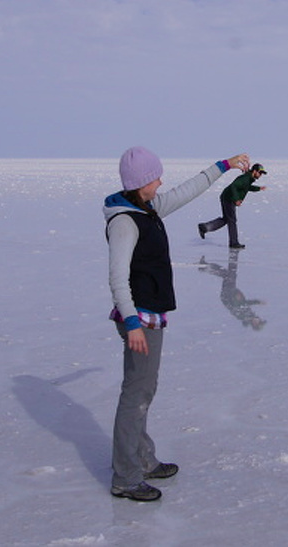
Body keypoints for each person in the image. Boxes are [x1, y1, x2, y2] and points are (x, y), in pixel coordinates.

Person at [103, 146, 250, 502]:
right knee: (135, 395)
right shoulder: (125, 221)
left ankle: (143, 458)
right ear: (140, 183)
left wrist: (224, 166)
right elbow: (117, 277)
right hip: (139, 318)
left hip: (150, 315)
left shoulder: (147, 208)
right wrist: (134, 322)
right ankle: (126, 476)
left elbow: (188, 190)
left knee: (144, 391)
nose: (161, 182)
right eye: (155, 177)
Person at [197, 163, 268, 249]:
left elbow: (246, 187)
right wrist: (236, 199)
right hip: (229, 198)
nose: (260, 175)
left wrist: (258, 188)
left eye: (261, 174)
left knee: (226, 219)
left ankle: (204, 227)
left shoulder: (248, 179)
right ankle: (233, 243)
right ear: (254, 171)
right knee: (232, 220)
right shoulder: (246, 178)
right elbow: (233, 186)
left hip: (226, 197)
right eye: (259, 173)